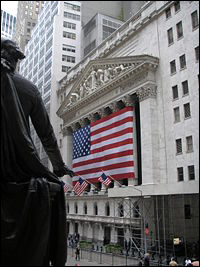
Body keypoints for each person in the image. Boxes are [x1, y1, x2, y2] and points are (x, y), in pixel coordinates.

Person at [1, 38, 74, 266]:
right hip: (19, 169)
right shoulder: (29, 89)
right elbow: (47, 135)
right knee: (55, 190)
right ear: (15, 61)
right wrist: (59, 166)